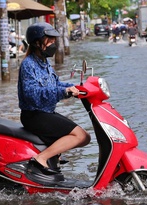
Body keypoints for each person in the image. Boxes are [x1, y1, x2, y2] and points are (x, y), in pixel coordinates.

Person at [17, 22, 91, 175]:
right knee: (81, 135)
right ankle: (40, 158)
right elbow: (32, 94)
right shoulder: (28, 65)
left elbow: (56, 84)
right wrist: (64, 92)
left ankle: (53, 157)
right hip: (34, 115)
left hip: (45, 113)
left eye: (53, 40)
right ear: (37, 42)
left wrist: (77, 87)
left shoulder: (45, 63)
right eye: (49, 40)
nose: (53, 44)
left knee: (86, 137)